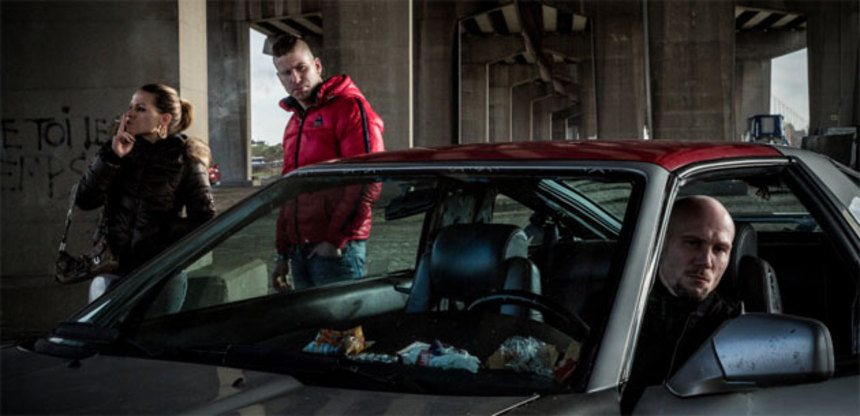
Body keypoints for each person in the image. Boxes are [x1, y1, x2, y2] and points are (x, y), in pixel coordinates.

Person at [75, 83, 216, 310]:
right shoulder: (116, 150)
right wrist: (113, 158)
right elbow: (85, 200)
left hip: (161, 275)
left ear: (164, 119)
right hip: (112, 271)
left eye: (140, 109)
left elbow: (205, 220)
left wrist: (163, 233)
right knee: (102, 332)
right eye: (131, 107)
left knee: (153, 333)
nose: (129, 114)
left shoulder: (186, 158)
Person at [269, 35, 384, 291]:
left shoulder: (350, 108)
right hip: (300, 251)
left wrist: (335, 241)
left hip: (337, 251)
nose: (295, 79)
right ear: (280, 78)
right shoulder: (294, 123)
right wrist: (283, 253)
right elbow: (288, 191)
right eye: (286, 73)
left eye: (301, 68)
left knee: (340, 318)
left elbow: (367, 179)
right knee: (311, 318)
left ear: (317, 66)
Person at [621, 195, 741, 413]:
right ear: (661, 242)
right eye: (693, 243)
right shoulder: (616, 307)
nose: (706, 261)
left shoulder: (732, 328)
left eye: (719, 249)